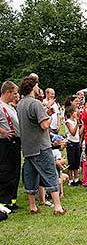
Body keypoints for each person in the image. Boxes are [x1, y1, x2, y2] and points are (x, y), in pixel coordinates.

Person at [16, 75, 66, 215]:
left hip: (27, 147)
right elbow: (44, 125)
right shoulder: (35, 103)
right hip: (41, 146)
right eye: (37, 85)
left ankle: (32, 206)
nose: (39, 88)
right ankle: (58, 207)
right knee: (50, 173)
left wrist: (45, 113)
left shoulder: (20, 104)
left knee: (30, 176)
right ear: (32, 87)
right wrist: (49, 117)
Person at [0, 81, 21, 211]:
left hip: (15, 142)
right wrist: (3, 132)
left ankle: (12, 200)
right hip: (5, 143)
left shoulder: (10, 107)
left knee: (15, 172)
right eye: (14, 93)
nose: (15, 96)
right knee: (6, 172)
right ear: (7, 92)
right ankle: (4, 201)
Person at [64, 106, 81, 186]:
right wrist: (77, 124)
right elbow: (73, 132)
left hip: (77, 142)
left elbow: (79, 133)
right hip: (71, 143)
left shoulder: (75, 121)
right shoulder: (68, 122)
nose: (76, 113)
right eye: (75, 112)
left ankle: (76, 178)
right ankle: (71, 180)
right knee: (71, 161)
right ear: (71, 113)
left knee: (77, 161)